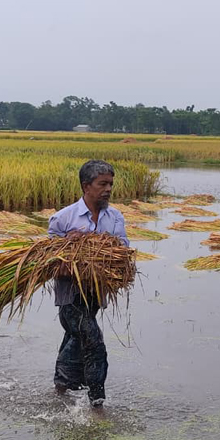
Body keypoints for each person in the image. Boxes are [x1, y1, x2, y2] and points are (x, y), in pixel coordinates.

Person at [47, 160, 129, 407]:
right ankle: (97, 402)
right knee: (94, 341)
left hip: (95, 295)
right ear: (86, 186)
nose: (108, 189)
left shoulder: (114, 217)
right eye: (102, 184)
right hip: (70, 296)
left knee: (75, 338)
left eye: (110, 184)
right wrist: (67, 248)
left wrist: (91, 241)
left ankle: (60, 389)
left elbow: (123, 250)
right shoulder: (62, 219)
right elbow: (50, 259)